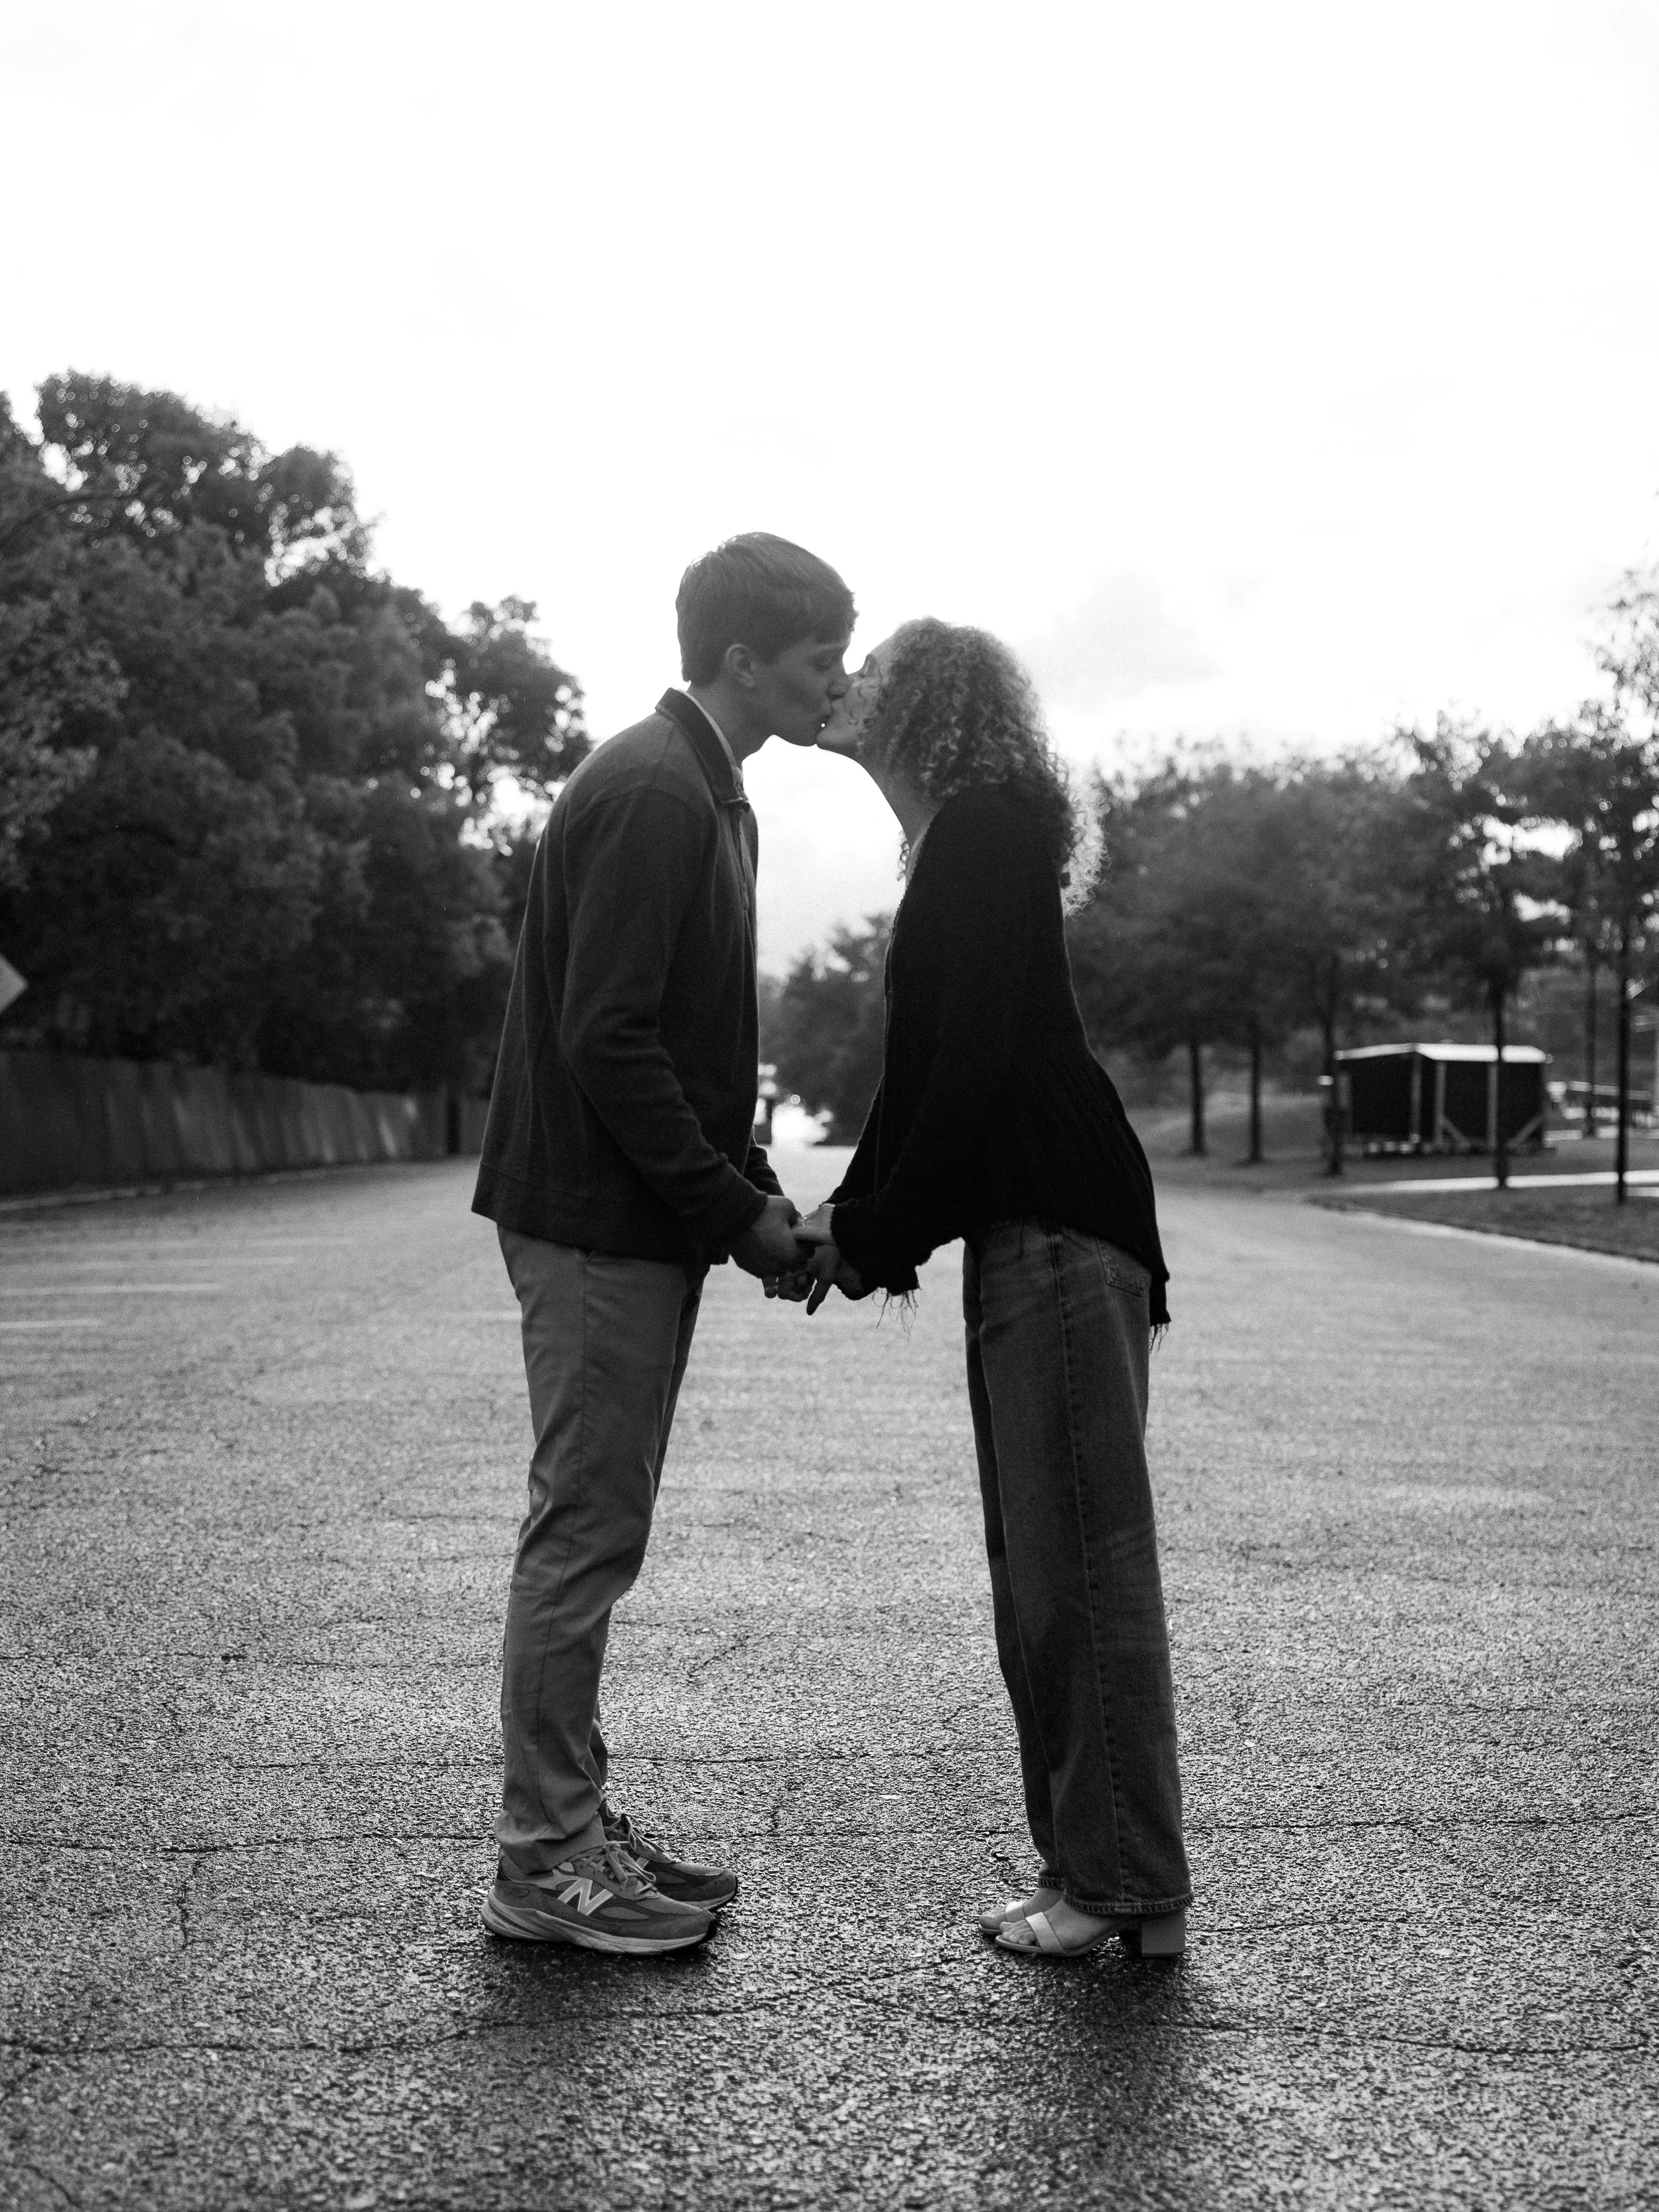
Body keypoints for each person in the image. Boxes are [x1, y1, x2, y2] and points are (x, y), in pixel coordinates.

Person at [472, 534, 853, 1954]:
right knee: (582, 1533)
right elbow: (607, 1037)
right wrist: (735, 1209)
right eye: (821, 656)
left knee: (598, 1526)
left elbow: (692, 1046)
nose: (840, 682)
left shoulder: (707, 787)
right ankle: (543, 1859)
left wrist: (746, 1190)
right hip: (591, 1222)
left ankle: (572, 1817)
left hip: (634, 1220)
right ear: (742, 657)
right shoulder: (651, 790)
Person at [794, 619, 1192, 1960]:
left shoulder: (983, 830)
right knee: (1039, 1574)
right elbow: (922, 1080)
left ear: (921, 706)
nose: (843, 688)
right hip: (1035, 1239)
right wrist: (858, 1219)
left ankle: (1127, 1895)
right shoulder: (962, 839)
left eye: (869, 674)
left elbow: (964, 1077)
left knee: (1078, 1574)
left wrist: (868, 1236)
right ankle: (1088, 1867)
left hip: (1060, 1237)